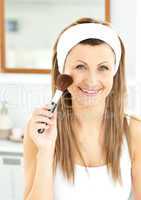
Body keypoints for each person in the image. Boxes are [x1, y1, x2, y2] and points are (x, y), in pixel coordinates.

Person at [23, 17, 141, 200]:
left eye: (103, 67)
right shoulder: (39, 129)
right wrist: (46, 150)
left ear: (114, 73)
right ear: (63, 71)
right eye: (80, 67)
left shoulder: (134, 131)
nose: (92, 81)